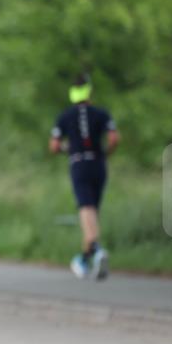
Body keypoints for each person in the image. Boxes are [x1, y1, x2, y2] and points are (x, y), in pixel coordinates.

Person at [50, 74, 119, 280]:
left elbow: (54, 146)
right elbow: (114, 138)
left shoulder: (65, 116)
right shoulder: (101, 113)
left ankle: (96, 250)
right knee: (92, 213)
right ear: (90, 91)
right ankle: (84, 258)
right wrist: (105, 152)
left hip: (78, 162)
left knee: (85, 209)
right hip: (98, 163)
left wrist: (67, 147)